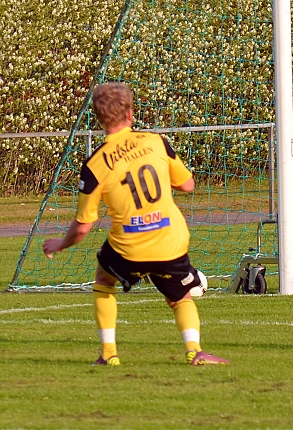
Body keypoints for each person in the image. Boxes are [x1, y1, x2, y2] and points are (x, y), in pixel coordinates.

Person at [43, 82, 228, 366]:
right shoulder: (155, 142)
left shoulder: (95, 164)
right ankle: (195, 351)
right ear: (130, 113)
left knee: (104, 280)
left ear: (99, 117)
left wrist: (60, 244)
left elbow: (82, 227)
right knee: (180, 298)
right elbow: (188, 185)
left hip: (128, 247)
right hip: (169, 241)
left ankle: (109, 354)